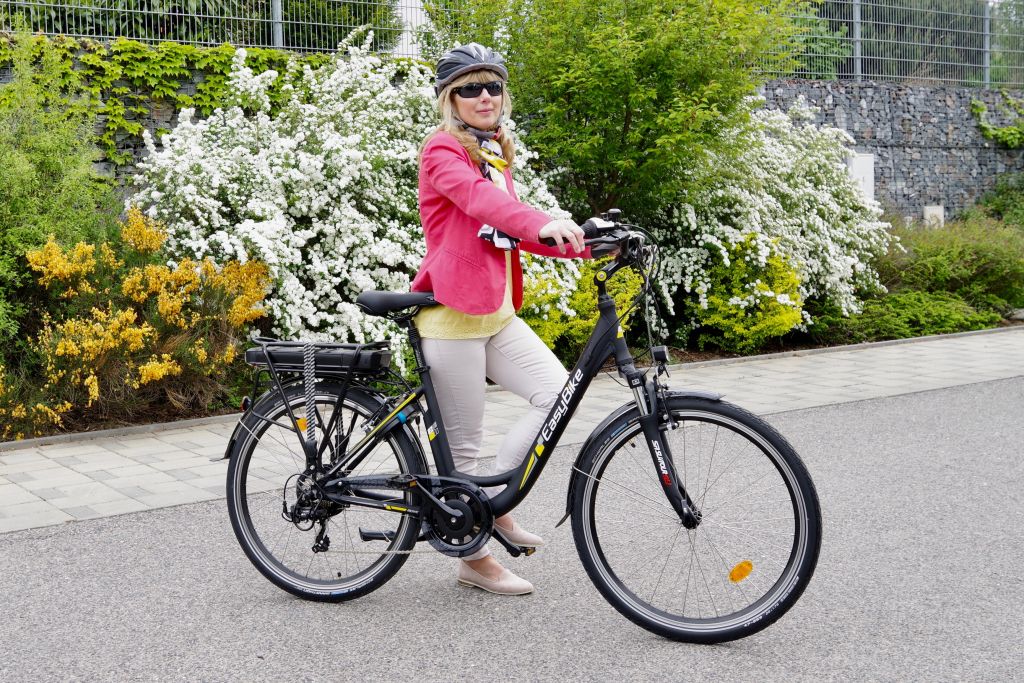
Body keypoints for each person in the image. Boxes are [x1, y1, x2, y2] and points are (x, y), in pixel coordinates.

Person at [411, 43, 591, 595]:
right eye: (470, 88)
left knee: (556, 394)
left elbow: (508, 228)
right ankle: (474, 557)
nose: (484, 96)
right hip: (452, 318)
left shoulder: (492, 151)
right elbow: (482, 205)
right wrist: (541, 222)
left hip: (494, 312)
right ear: (451, 99)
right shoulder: (443, 151)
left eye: (492, 86)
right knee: (463, 450)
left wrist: (588, 244)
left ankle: (493, 504)